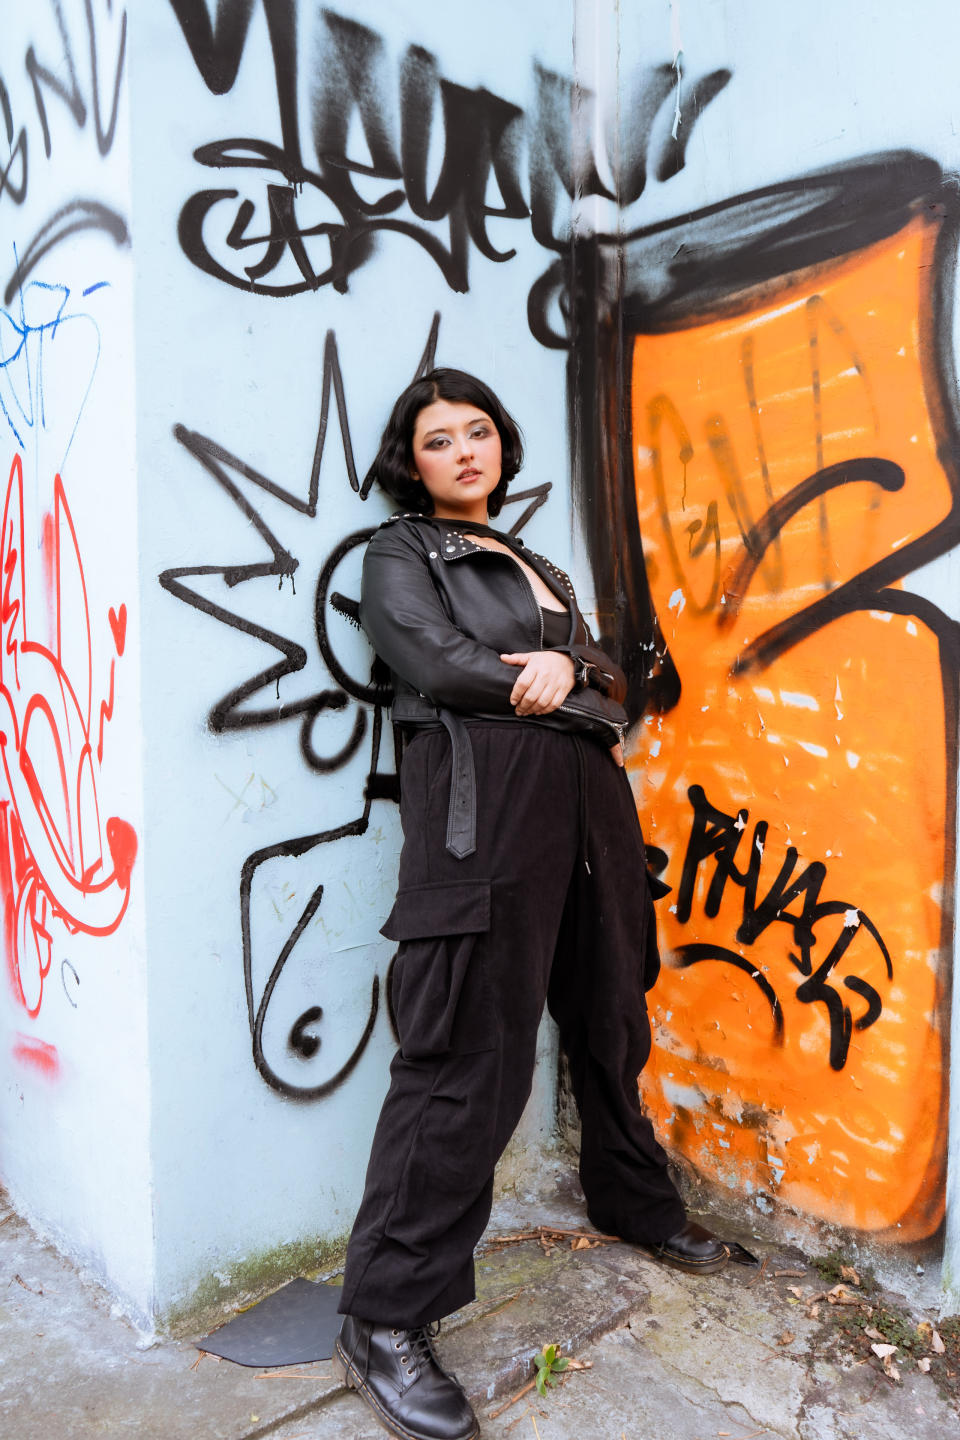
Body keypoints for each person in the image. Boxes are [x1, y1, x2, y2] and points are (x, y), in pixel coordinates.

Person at [333, 370, 725, 1440]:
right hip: (485, 813)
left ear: (502, 445)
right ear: (411, 464)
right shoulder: (403, 553)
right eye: (438, 440)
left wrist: (567, 665)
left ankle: (632, 1203)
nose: (464, 451)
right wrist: (549, 681)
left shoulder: (538, 562)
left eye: (479, 432)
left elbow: (612, 683)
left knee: (612, 1017)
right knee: (467, 1053)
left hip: (591, 811)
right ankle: (384, 1314)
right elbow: (427, 656)